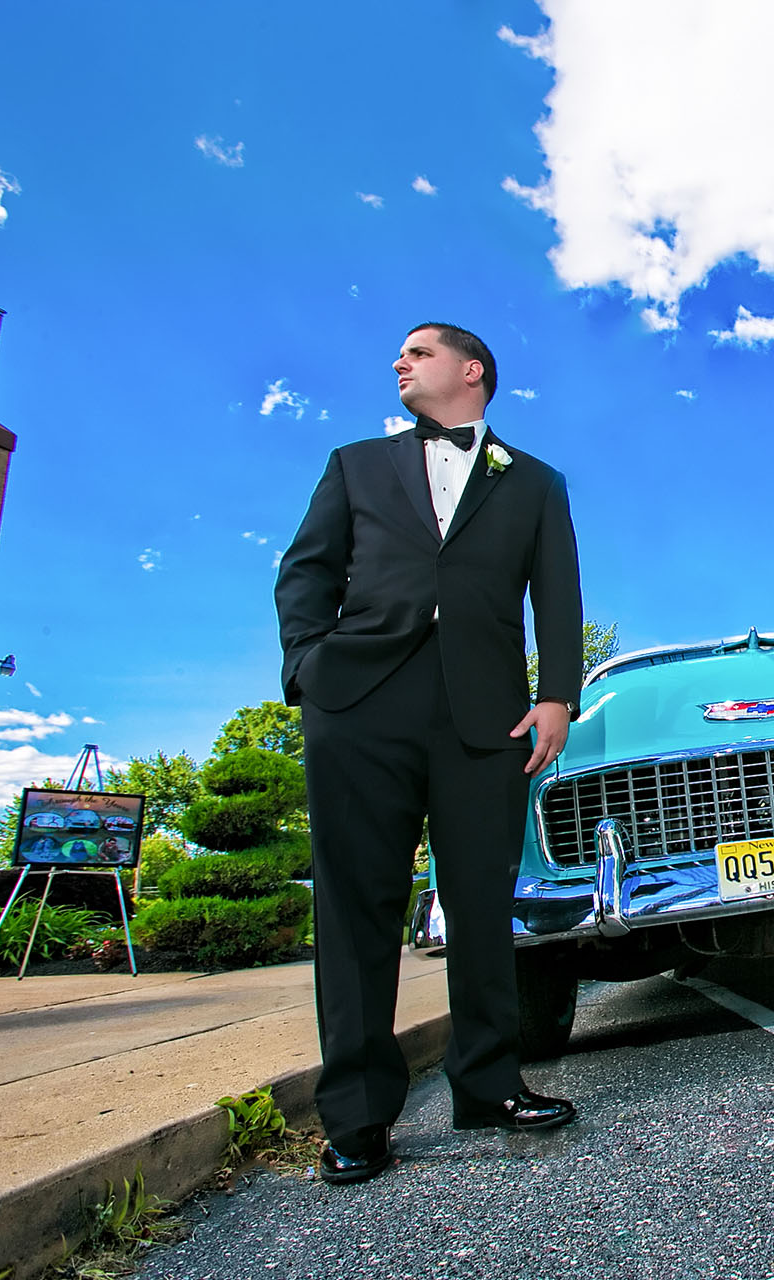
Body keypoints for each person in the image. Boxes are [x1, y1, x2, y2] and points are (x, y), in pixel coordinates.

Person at [276, 322, 584, 1186]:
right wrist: (308, 666)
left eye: (418, 352)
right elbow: (306, 571)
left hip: (485, 719)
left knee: (481, 906)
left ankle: (488, 1084)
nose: (399, 362)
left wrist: (557, 694)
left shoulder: (535, 483)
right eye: (399, 354)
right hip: (359, 706)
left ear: (470, 369)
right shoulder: (355, 466)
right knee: (356, 909)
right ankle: (359, 1117)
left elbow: (557, 591)